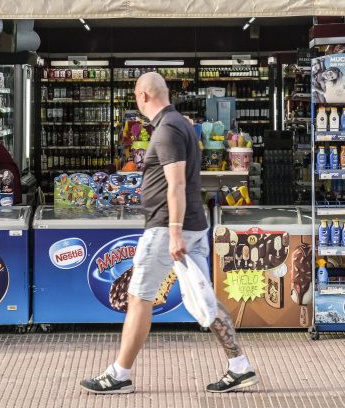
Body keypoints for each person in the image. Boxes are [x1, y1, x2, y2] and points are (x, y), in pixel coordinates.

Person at [81, 72, 256, 395]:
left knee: (139, 296)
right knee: (203, 296)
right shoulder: (181, 125)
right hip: (189, 224)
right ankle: (239, 366)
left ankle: (119, 374)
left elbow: (175, 183)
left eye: (136, 97)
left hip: (166, 228)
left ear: (143, 96)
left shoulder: (166, 131)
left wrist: (174, 232)